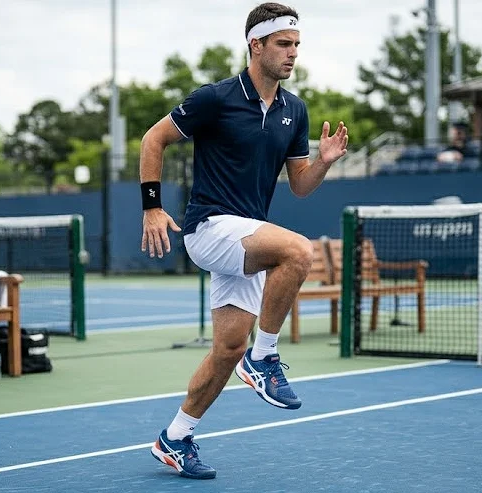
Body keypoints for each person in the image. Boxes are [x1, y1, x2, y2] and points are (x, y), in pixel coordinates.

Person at [140, 3, 348, 480]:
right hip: (209, 227)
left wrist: (323, 162)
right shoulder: (215, 98)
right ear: (256, 45)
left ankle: (175, 438)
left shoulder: (295, 110)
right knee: (299, 251)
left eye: (296, 45)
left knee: (228, 348)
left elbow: (300, 185)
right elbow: (153, 139)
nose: (293, 53)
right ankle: (265, 356)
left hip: (246, 237)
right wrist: (152, 206)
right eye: (283, 44)